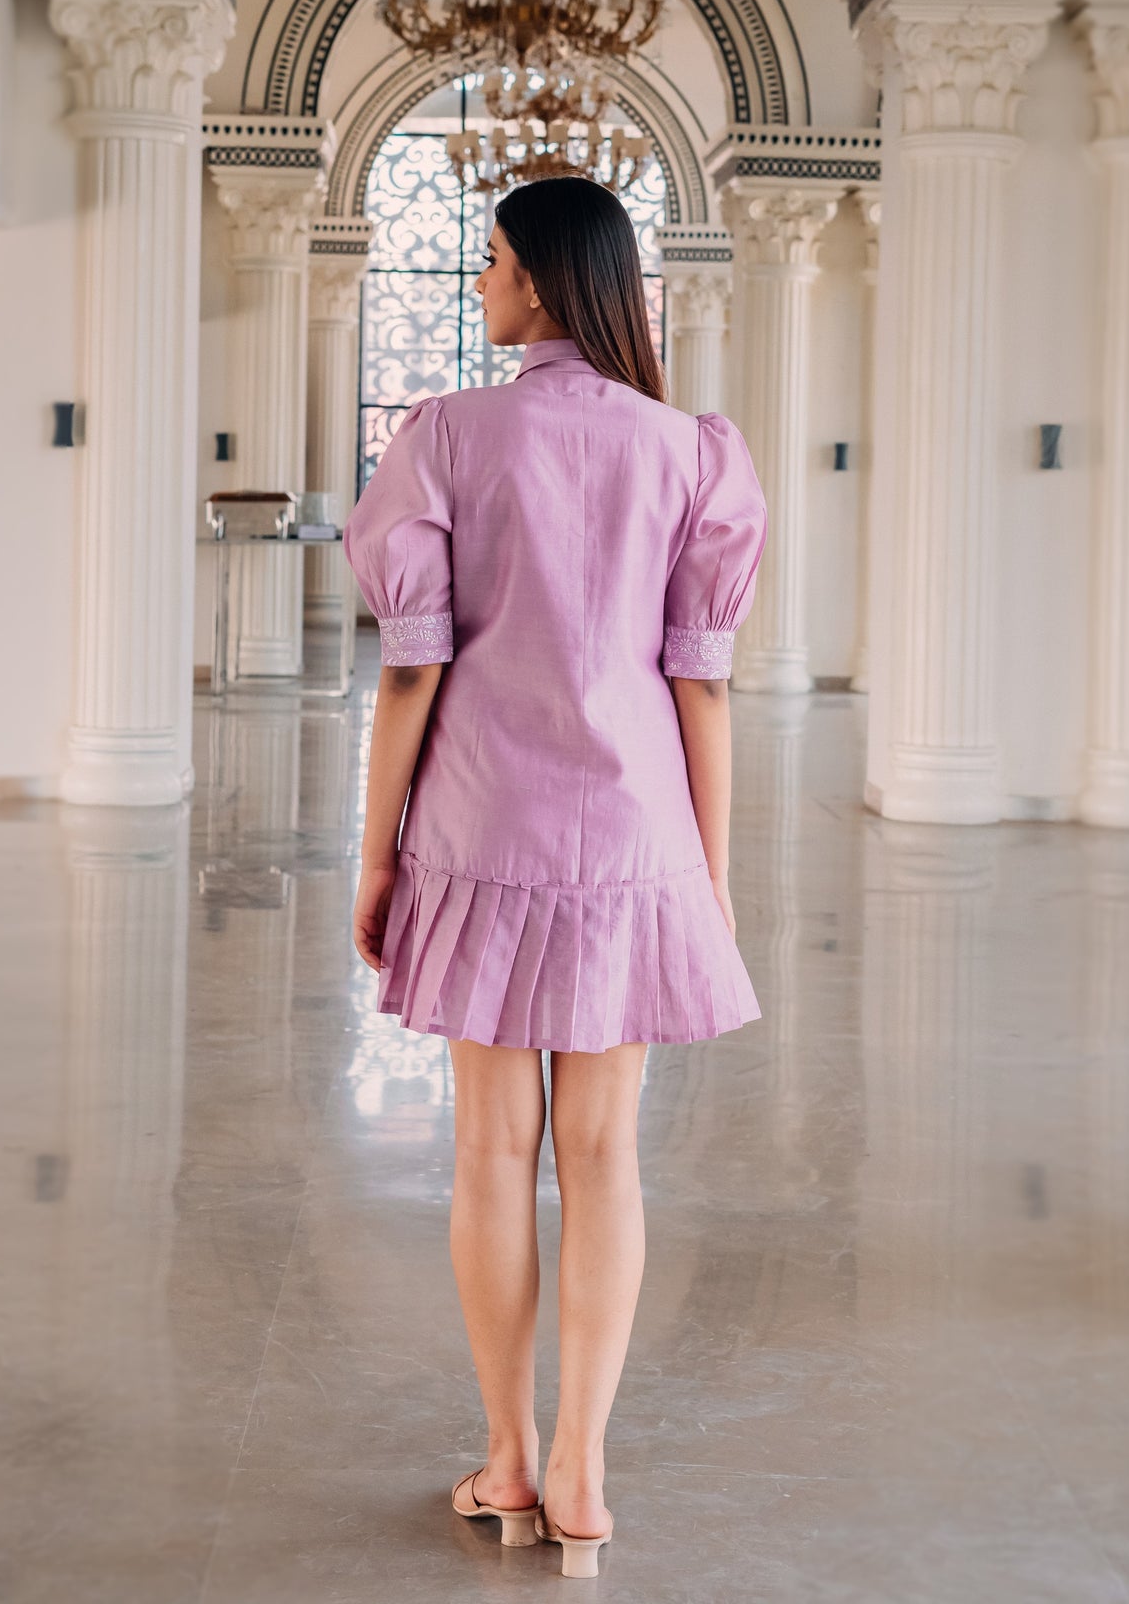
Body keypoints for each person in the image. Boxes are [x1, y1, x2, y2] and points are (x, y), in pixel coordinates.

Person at [343, 174, 767, 1578]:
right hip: (634, 841)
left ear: (533, 278)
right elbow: (700, 690)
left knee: (485, 1152)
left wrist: (375, 852)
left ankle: (509, 1461)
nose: (477, 287)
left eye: (485, 265)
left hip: (477, 830)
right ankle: (582, 1474)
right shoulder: (691, 452)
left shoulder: (447, 436)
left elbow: (412, 667)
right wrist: (705, 877)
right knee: (603, 1157)